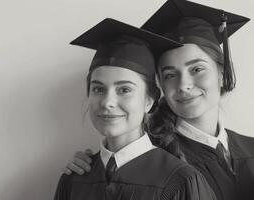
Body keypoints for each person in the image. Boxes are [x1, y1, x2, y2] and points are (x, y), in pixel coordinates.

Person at [63, 1, 254, 200]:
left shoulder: (250, 147)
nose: (184, 85)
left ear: (222, 74)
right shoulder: (148, 160)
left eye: (197, 69)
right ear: (159, 85)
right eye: (170, 74)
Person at [54, 18, 216, 200]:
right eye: (98, 89)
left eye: (124, 90)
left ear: (149, 100)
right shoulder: (74, 179)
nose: (108, 102)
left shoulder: (181, 181)